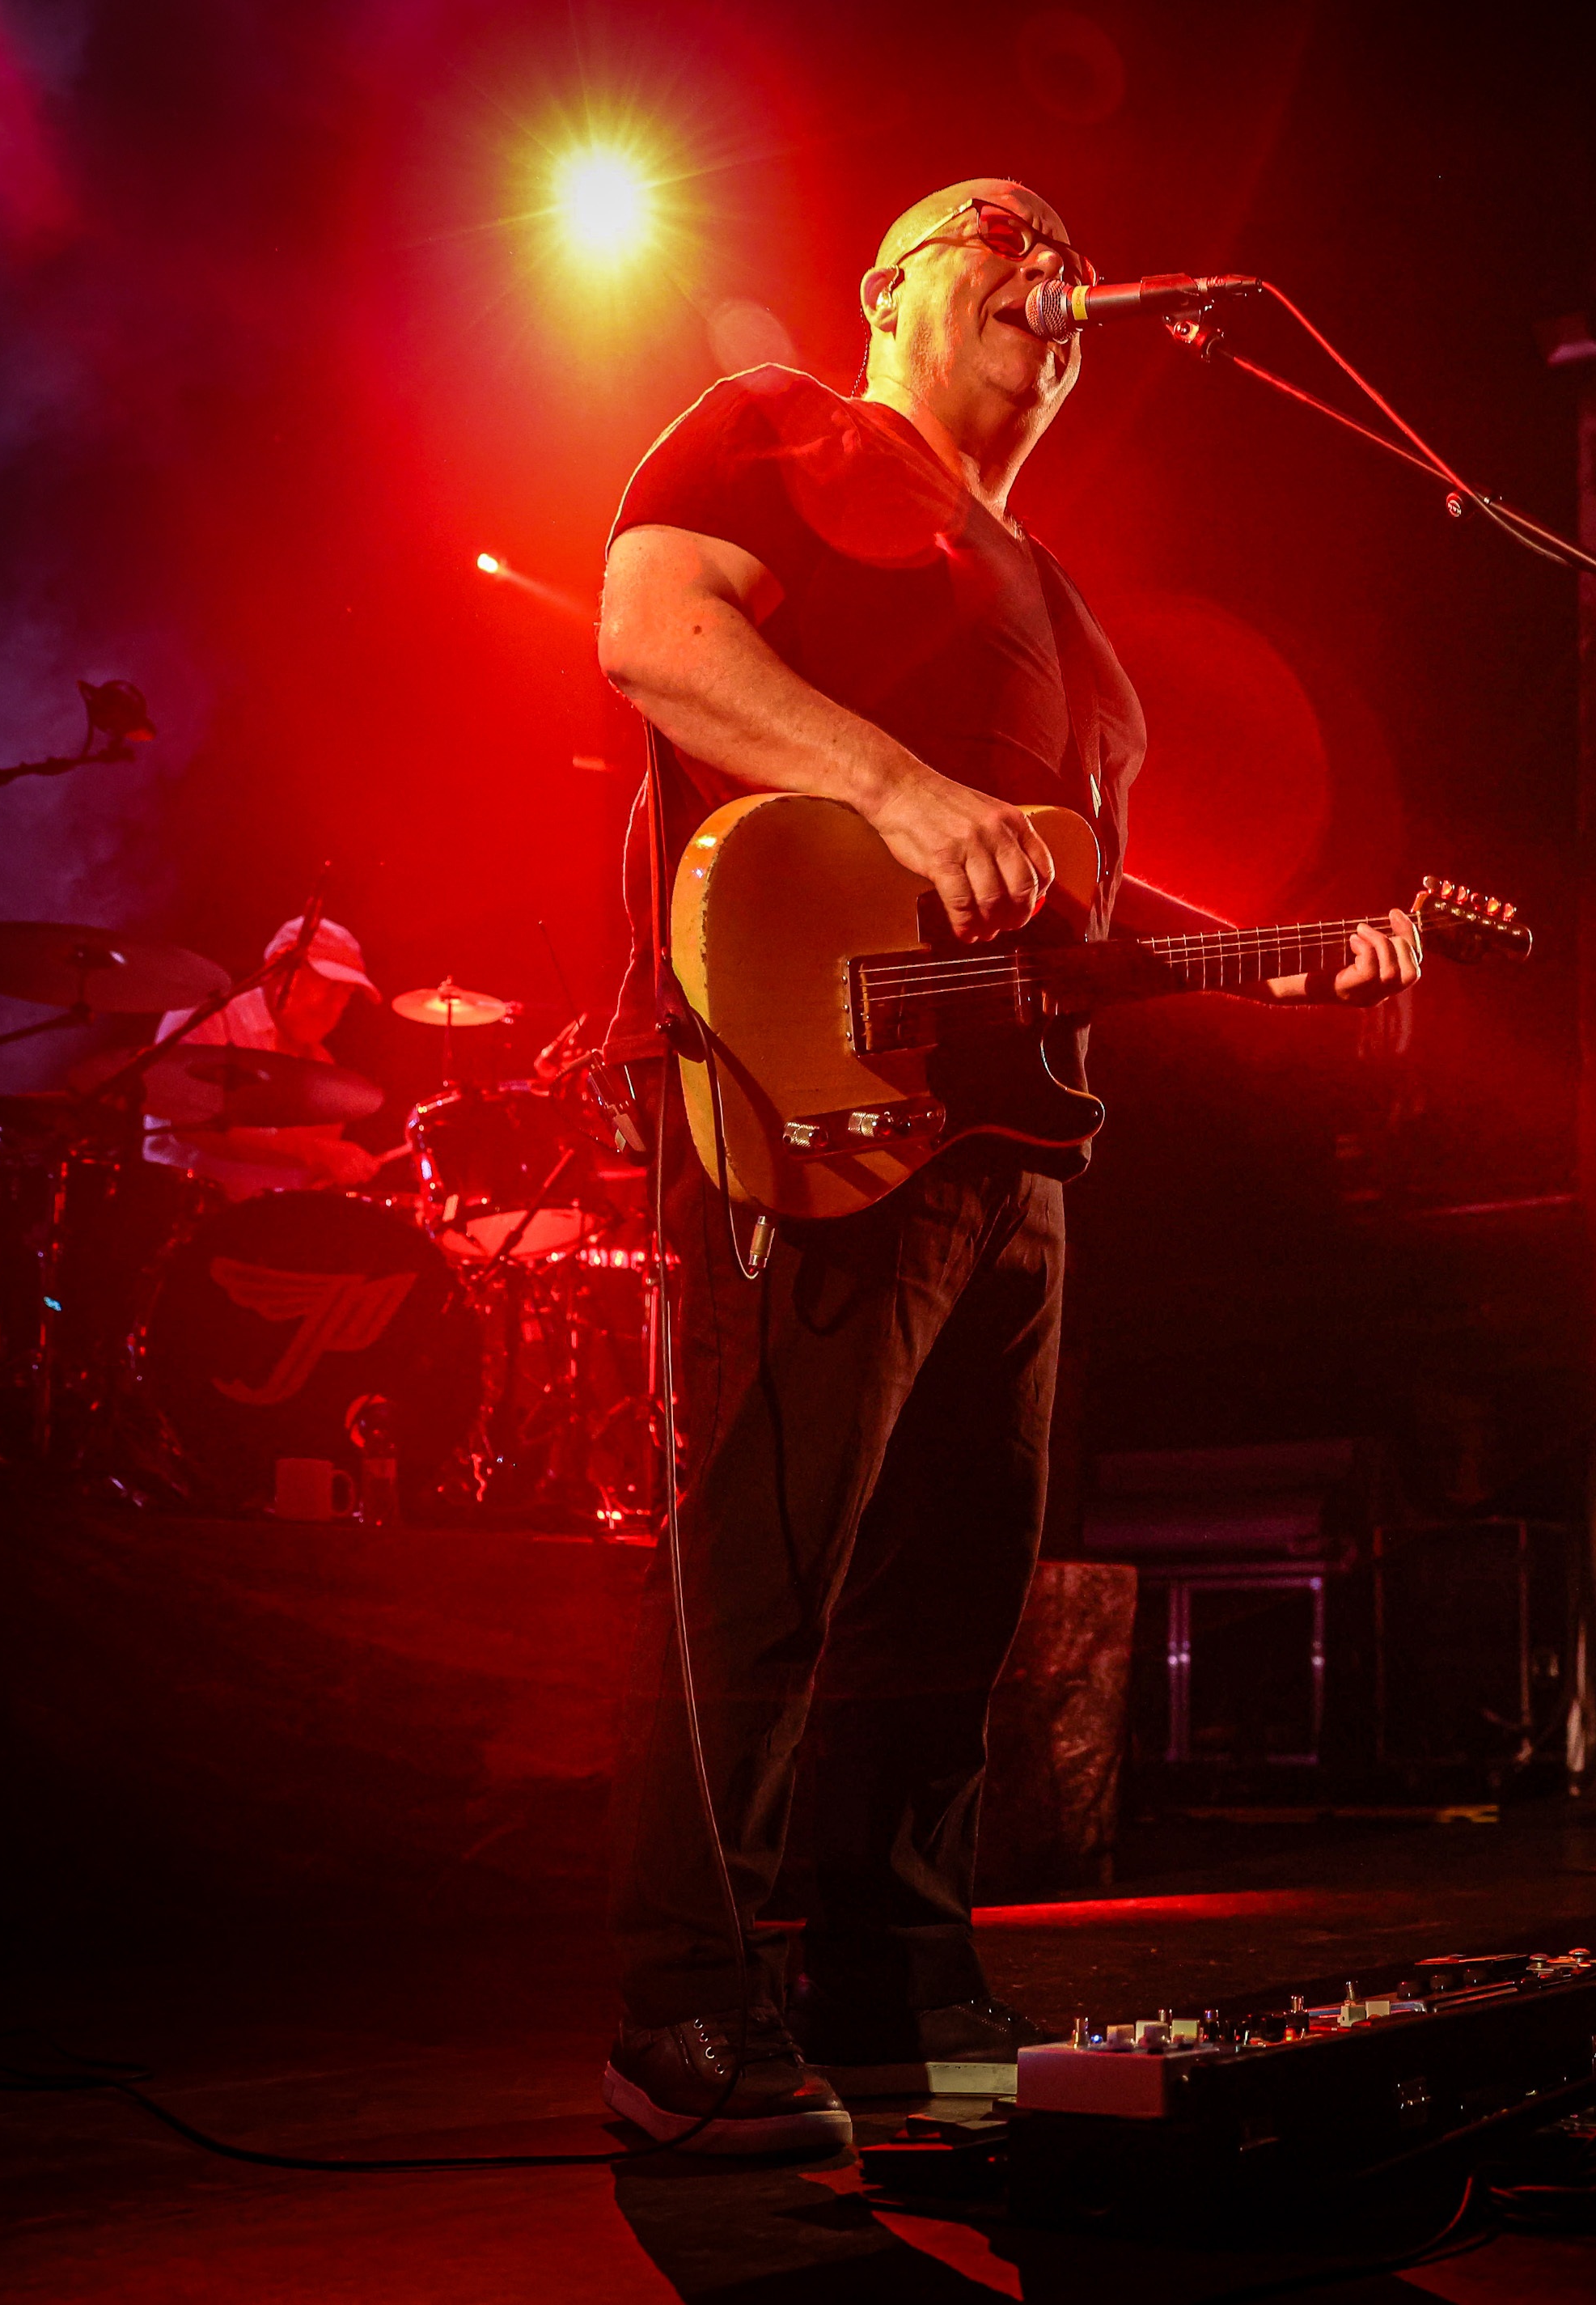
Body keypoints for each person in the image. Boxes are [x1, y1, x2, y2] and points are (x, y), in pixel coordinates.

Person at [591, 178, 1418, 2151]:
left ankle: (888, 1984)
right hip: (807, 1079)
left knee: (953, 1592)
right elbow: (648, 632)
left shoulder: (1059, 612)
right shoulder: (784, 429)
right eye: (998, 234)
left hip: (1001, 1141)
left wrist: (1280, 956)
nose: (1050, 270)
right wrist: (892, 781)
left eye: (1070, 273)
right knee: (766, 1565)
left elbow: (1048, 904)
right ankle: (677, 2012)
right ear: (884, 286)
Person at [143, 914, 389, 1200]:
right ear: (279, 971)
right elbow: (194, 1125)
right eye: (328, 984)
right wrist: (316, 1152)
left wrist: (334, 1170)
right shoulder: (209, 1018)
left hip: (267, 1230)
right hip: (181, 1211)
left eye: (346, 993)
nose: (335, 1005)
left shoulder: (326, 1069)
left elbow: (308, 1178)